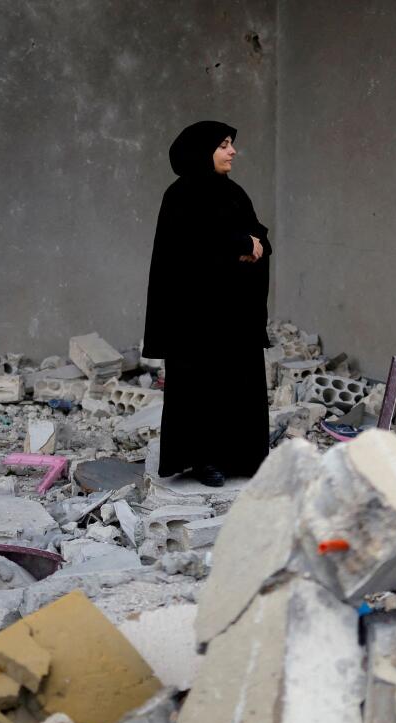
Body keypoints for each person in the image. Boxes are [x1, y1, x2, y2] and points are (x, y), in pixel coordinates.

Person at [141, 120, 272, 487]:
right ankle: (204, 460)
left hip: (236, 314)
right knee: (202, 386)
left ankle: (243, 458)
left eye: (231, 144)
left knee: (240, 382)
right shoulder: (180, 196)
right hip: (196, 318)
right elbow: (190, 248)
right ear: (202, 152)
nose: (232, 151)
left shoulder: (234, 193)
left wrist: (256, 243)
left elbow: (256, 231)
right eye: (224, 145)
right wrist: (241, 245)